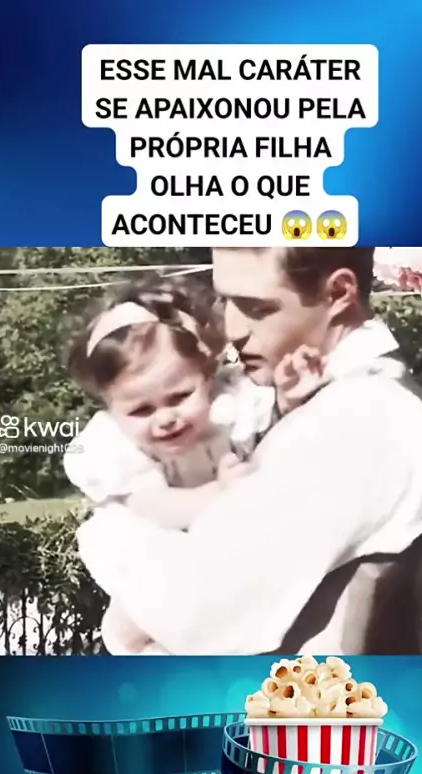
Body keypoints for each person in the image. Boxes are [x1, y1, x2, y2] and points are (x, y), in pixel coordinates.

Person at [77, 247, 422, 655]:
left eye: (256, 307)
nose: (232, 329)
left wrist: (106, 534)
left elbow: (196, 613)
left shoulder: (362, 415)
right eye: (226, 301)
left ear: (338, 293)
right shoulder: (335, 399)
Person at [64, 274, 276, 652]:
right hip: (157, 537)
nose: (165, 418)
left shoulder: (232, 405)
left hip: (219, 542)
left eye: (180, 396)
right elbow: (157, 509)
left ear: (207, 377)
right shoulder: (117, 447)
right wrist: (220, 492)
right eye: (140, 410)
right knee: (137, 623)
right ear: (110, 406)